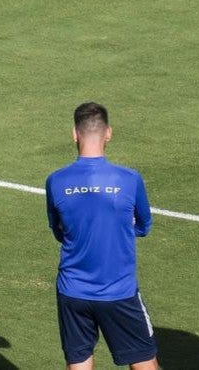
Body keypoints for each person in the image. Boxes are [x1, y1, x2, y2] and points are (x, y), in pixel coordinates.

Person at [46, 103, 158, 370]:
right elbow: (144, 225)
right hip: (118, 291)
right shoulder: (129, 179)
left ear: (75, 133)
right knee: (144, 361)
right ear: (108, 133)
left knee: (79, 362)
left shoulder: (56, 180)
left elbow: (57, 230)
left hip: (73, 290)